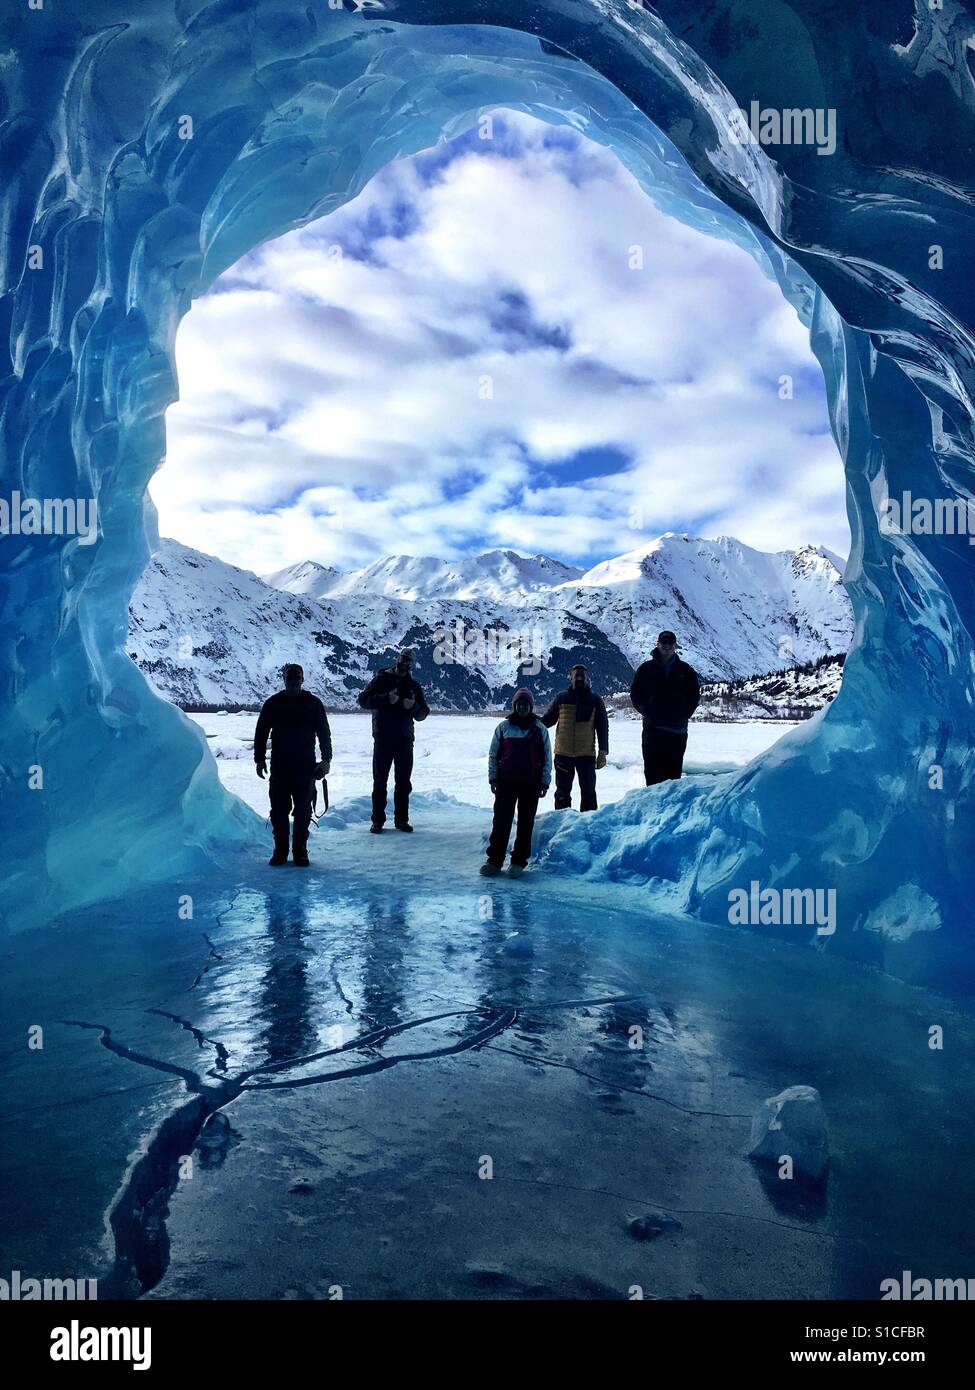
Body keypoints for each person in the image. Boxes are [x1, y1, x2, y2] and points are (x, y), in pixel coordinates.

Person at [254, 663, 332, 866]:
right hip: (280, 767)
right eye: (290, 678)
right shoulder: (273, 703)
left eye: (297, 679)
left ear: (302, 680)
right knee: (278, 810)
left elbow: (324, 732)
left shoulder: (313, 703)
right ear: (285, 680)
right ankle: (280, 851)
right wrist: (259, 758)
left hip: (305, 767)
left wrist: (326, 759)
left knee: (303, 811)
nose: (293, 682)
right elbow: (261, 732)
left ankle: (300, 851)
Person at [481, 688, 552, 878]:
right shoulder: (503, 727)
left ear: (530, 706)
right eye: (519, 703)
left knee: (525, 823)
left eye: (525, 704)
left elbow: (547, 758)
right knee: (501, 821)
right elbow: (493, 755)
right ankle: (494, 860)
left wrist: (544, 782)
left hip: (531, 784)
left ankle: (518, 862)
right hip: (505, 783)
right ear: (514, 705)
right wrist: (493, 778)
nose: (522, 707)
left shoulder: (539, 729)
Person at [358, 648, 430, 832]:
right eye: (403, 658)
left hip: (404, 739)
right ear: (397, 658)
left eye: (409, 661)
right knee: (380, 780)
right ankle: (378, 821)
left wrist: (412, 706)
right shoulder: (380, 679)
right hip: (383, 736)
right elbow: (364, 700)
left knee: (403, 782)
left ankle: (401, 820)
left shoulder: (413, 686)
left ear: (412, 665)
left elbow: (423, 713)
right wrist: (386, 698)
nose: (405, 663)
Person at [629, 630, 700, 785]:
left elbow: (694, 695)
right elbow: (635, 693)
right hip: (652, 730)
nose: (667, 646)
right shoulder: (645, 669)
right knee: (652, 775)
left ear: (675, 646)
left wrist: (684, 714)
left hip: (677, 731)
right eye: (663, 642)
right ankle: (652, 808)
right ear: (658, 644)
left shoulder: (686, 670)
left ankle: (670, 809)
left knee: (673, 777)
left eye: (670, 643)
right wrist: (646, 710)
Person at [540, 664, 609, 812]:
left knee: (589, 793)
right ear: (571, 678)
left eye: (582, 675)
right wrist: (530, 722)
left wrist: (603, 751)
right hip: (563, 755)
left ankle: (588, 824)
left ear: (587, 678)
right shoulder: (561, 697)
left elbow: (602, 727)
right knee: (562, 794)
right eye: (576, 675)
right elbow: (548, 720)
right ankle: (562, 824)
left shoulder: (595, 700)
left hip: (586, 755)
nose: (579, 678)